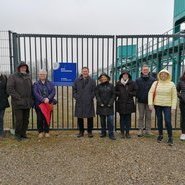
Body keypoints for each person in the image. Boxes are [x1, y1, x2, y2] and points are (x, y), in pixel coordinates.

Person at [148, 69, 177, 146]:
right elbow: (150, 93)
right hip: (158, 104)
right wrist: (150, 103)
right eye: (161, 74)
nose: (163, 75)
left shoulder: (172, 84)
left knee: (167, 121)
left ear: (168, 75)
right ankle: (160, 135)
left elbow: (174, 97)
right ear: (159, 75)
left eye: (165, 74)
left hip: (167, 105)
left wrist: (173, 108)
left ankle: (170, 137)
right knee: (159, 120)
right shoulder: (156, 83)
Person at [7, 62, 33, 141]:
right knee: (19, 120)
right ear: (18, 68)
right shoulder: (13, 77)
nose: (23, 69)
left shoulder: (28, 76)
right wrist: (18, 98)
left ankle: (23, 134)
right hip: (18, 103)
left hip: (27, 102)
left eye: (25, 67)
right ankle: (17, 135)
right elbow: (9, 89)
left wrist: (31, 99)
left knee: (26, 120)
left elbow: (31, 89)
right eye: (22, 67)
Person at [73, 67, 96, 138]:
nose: (85, 72)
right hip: (80, 101)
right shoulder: (77, 80)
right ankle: (81, 131)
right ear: (81, 72)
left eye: (86, 71)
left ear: (88, 72)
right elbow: (74, 91)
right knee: (80, 117)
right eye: (83, 71)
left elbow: (94, 91)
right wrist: (77, 97)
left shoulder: (92, 81)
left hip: (89, 101)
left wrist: (90, 97)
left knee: (90, 117)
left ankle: (89, 132)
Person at [33, 69, 56, 138]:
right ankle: (40, 132)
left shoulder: (50, 83)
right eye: (41, 74)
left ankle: (47, 131)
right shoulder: (36, 84)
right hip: (39, 104)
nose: (42, 75)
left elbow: (53, 92)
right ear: (38, 75)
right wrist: (42, 99)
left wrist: (48, 98)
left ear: (46, 75)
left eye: (44, 74)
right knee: (39, 118)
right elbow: (35, 93)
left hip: (48, 103)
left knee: (47, 118)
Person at [115, 70, 137, 138]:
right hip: (121, 103)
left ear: (128, 76)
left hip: (129, 103)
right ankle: (122, 132)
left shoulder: (132, 83)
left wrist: (130, 93)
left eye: (126, 75)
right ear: (122, 76)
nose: (125, 76)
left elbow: (136, 92)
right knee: (121, 118)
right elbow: (115, 91)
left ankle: (127, 132)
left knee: (128, 119)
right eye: (124, 75)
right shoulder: (118, 83)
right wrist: (119, 93)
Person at [135, 65, 155, 137]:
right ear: (141, 71)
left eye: (146, 70)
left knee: (149, 116)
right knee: (141, 116)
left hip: (150, 102)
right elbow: (136, 90)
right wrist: (138, 97)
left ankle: (148, 130)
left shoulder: (153, 80)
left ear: (149, 71)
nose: (145, 71)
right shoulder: (138, 80)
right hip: (141, 101)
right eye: (144, 70)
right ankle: (140, 130)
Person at [95, 73, 116, 140]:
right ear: (100, 79)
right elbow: (97, 95)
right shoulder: (98, 86)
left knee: (110, 120)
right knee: (102, 120)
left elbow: (114, 95)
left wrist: (110, 103)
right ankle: (103, 133)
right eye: (102, 78)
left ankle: (111, 134)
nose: (103, 79)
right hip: (101, 106)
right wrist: (100, 103)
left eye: (104, 77)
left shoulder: (111, 86)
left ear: (107, 78)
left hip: (109, 106)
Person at [0, 74, 10, 139]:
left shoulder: (4, 77)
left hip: (2, 102)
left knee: (0, 118)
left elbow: (8, 89)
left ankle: (1, 133)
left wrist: (5, 96)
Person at [176, 71, 185, 141]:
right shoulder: (181, 81)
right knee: (183, 117)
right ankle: (183, 133)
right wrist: (181, 96)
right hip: (183, 103)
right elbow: (176, 90)